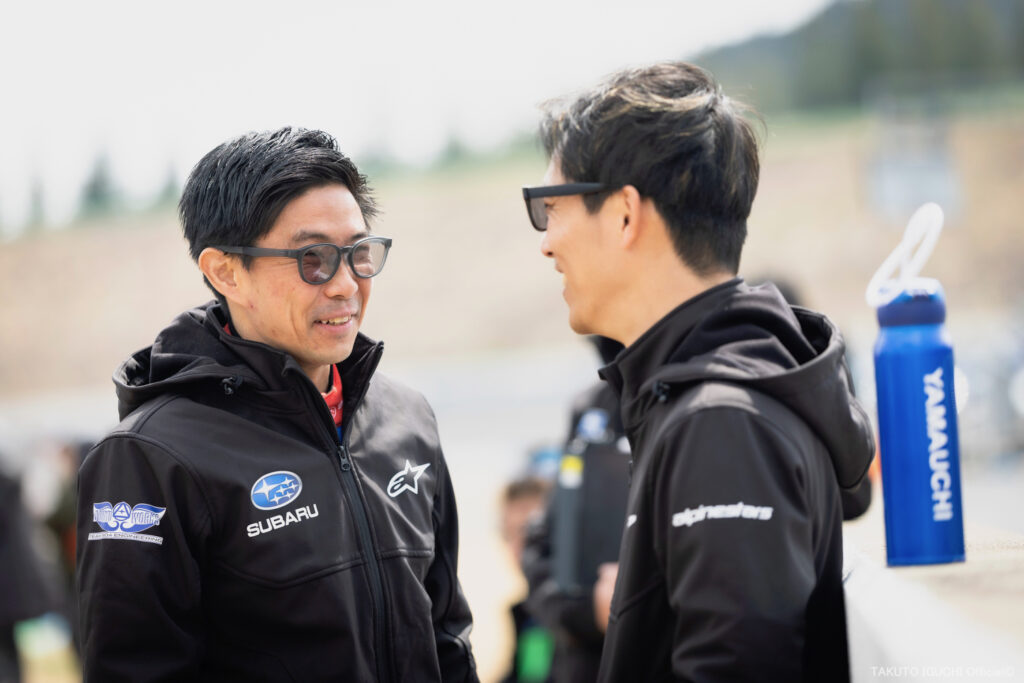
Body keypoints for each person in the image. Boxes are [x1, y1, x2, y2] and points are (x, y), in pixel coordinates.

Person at [76, 127, 478, 682]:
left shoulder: (406, 417)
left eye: (359, 253)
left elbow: (447, 635)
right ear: (225, 272)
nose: (345, 285)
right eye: (314, 258)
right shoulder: (151, 457)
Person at [521, 63, 875, 682]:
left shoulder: (721, 424)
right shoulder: (706, 396)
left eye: (551, 208)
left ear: (625, 214)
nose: (546, 242)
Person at [520, 336, 629, 683]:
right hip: (585, 664)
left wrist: (634, 598)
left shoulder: (699, 402)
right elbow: (543, 548)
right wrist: (587, 612)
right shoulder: (591, 409)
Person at [498, 476, 554, 683]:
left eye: (530, 532)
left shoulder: (573, 614)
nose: (520, 546)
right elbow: (530, 677)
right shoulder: (530, 615)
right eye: (510, 533)